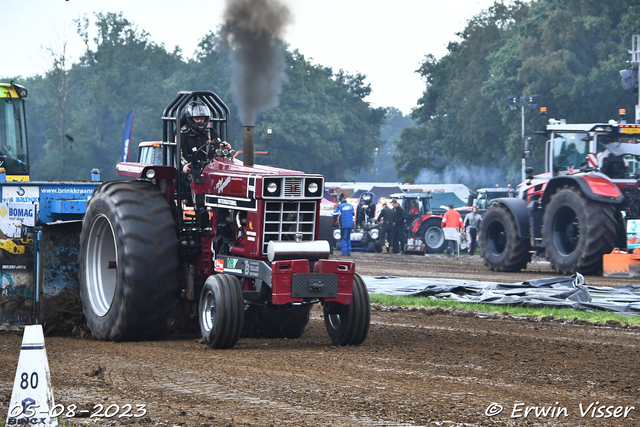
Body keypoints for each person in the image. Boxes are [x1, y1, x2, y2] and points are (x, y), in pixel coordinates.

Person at [179, 100, 231, 210]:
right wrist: (185, 165)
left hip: (209, 167)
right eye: (197, 119)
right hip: (190, 168)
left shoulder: (210, 132)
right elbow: (180, 154)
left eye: (202, 119)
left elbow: (218, 144)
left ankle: (224, 211)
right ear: (191, 119)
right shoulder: (182, 134)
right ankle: (200, 210)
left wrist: (224, 146)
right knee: (196, 176)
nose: (200, 122)